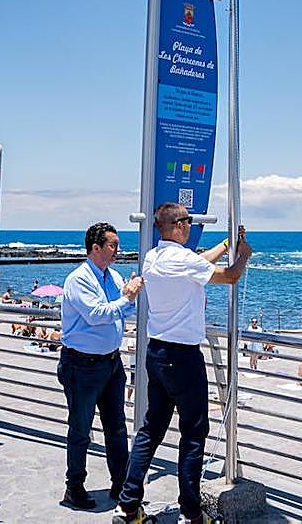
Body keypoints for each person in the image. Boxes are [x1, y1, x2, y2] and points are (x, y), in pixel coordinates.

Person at [114, 204, 252, 524]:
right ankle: (192, 513)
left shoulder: (152, 257)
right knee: (193, 434)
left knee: (151, 430)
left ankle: (128, 505)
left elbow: (198, 264)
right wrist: (242, 253)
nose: (190, 225)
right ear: (178, 226)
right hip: (184, 358)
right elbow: (230, 276)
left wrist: (226, 244)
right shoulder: (183, 260)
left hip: (157, 354)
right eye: (187, 221)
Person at [57, 221, 144, 510]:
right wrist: (126, 297)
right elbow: (96, 314)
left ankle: (120, 482)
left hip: (110, 362)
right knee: (80, 429)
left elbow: (123, 310)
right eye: (113, 245)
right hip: (81, 364)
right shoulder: (79, 279)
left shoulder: (113, 275)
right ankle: (75, 487)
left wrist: (127, 298)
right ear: (96, 248)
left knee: (116, 427)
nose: (118, 250)